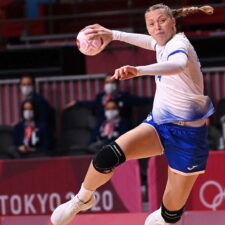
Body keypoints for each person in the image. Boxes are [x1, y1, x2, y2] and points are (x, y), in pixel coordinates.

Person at [51, 3, 215, 225]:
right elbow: (149, 42)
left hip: (189, 138)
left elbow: (176, 65)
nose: (157, 27)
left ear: (173, 23)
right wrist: (113, 35)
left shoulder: (180, 44)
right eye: (151, 23)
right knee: (106, 157)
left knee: (170, 215)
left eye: (162, 21)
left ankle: (165, 217)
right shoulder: (161, 43)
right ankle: (82, 199)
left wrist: (139, 70)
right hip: (159, 126)